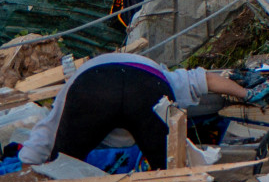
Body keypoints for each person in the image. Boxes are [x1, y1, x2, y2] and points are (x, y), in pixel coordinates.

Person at [20, 52, 250, 171]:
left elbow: (47, 131)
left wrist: (28, 166)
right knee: (169, 170)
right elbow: (208, 79)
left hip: (93, 85)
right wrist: (248, 95)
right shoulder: (164, 74)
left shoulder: (73, 85)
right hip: (146, 85)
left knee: (62, 165)